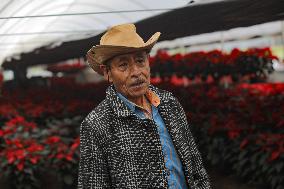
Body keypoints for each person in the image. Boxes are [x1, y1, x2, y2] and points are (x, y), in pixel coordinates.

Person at [78, 23, 211, 189]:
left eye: (140, 61)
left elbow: (195, 164)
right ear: (107, 73)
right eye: (123, 65)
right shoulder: (96, 124)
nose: (135, 72)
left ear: (148, 63)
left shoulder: (169, 103)